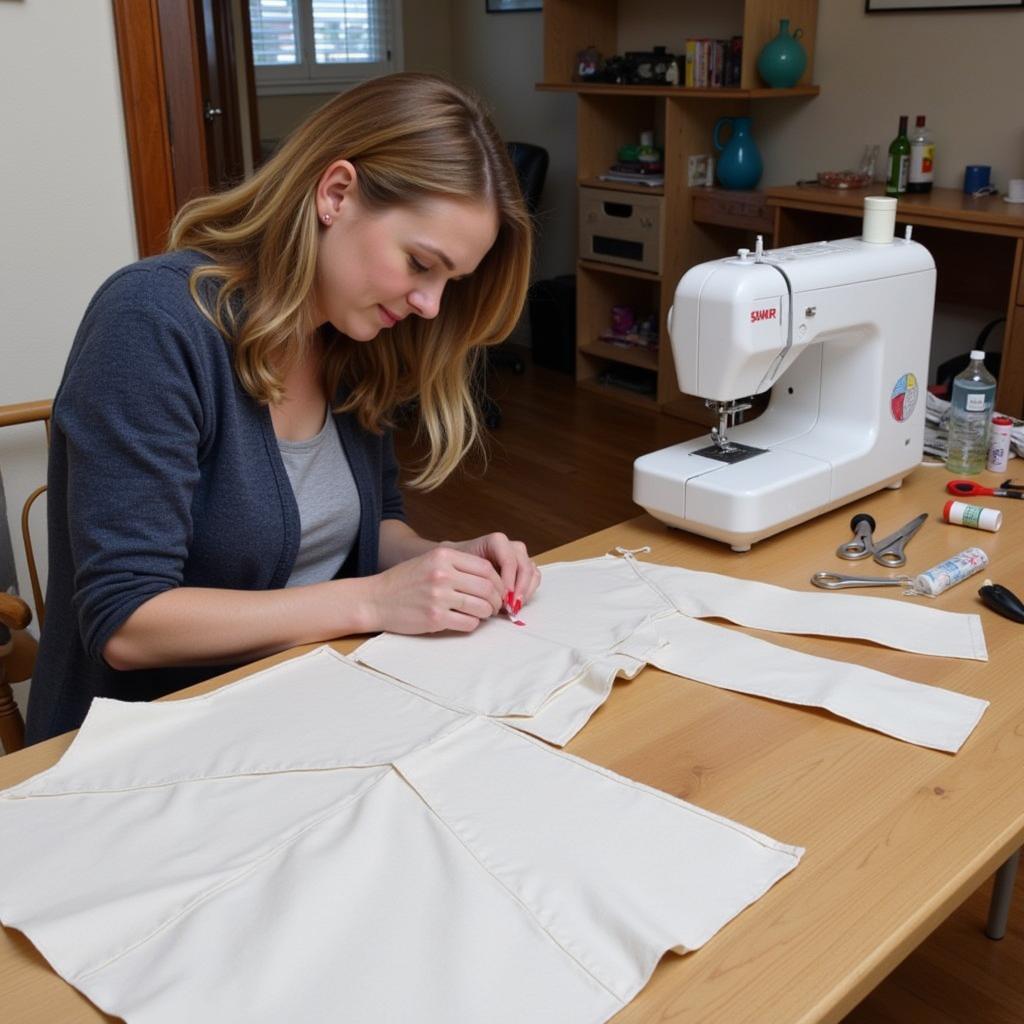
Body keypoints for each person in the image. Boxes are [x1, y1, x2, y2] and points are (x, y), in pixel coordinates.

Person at [25, 73, 541, 743]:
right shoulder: (151, 324)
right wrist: (374, 600)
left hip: (302, 711)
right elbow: (127, 620)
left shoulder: (356, 343)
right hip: (142, 749)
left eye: (450, 281)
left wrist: (446, 562)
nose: (430, 305)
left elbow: (369, 526)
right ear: (336, 194)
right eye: (420, 263)